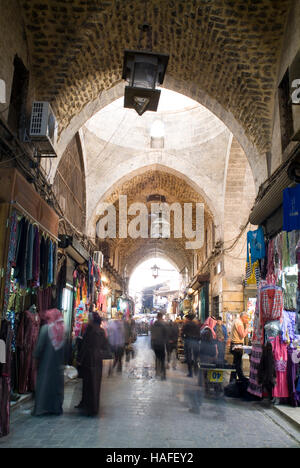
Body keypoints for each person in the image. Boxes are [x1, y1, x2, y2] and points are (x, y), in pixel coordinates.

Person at [75, 313, 110, 417]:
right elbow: (105, 345)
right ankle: (92, 406)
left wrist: (79, 358)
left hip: (89, 359)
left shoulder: (90, 330)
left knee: (88, 383)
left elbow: (85, 345)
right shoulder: (101, 331)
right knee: (95, 383)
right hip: (97, 359)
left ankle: (90, 407)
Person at [32, 308, 65, 416]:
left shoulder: (46, 329)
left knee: (44, 386)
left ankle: (41, 409)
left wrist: (35, 358)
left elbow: (39, 347)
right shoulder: (62, 331)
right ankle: (55, 408)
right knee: (55, 387)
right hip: (57, 366)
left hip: (46, 365)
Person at [230, 312, 249, 382]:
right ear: (243, 317)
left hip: (235, 345)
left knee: (235, 364)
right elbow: (242, 335)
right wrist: (247, 328)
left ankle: (233, 379)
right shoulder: (239, 323)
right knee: (238, 364)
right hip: (237, 345)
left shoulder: (235, 321)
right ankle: (241, 378)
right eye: (246, 318)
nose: (246, 319)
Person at [182, 313, 200, 377]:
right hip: (195, 342)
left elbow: (182, 333)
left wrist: (184, 339)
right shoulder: (197, 325)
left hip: (188, 341)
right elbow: (199, 334)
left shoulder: (186, 325)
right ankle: (196, 370)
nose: (185, 319)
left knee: (188, 357)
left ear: (188, 319)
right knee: (195, 357)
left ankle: (190, 373)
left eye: (186, 318)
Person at [151, 312, 168, 380]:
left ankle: (157, 372)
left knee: (157, 358)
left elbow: (152, 335)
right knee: (162, 359)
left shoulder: (154, 325)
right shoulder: (164, 325)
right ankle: (163, 374)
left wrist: (152, 344)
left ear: (157, 317)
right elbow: (166, 335)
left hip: (155, 344)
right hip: (161, 344)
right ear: (161, 317)